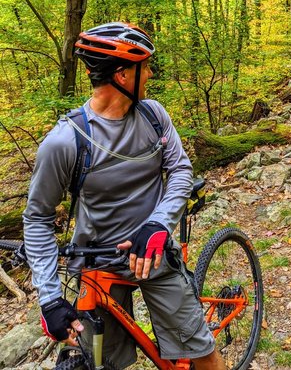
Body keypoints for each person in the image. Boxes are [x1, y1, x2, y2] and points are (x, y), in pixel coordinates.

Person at [23, 22, 226, 369]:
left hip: (155, 256)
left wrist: (159, 224)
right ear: (121, 76)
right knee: (101, 361)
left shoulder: (153, 115)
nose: (148, 75)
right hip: (97, 264)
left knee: (202, 352)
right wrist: (50, 298)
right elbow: (37, 218)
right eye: (143, 67)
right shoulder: (65, 141)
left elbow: (180, 170)